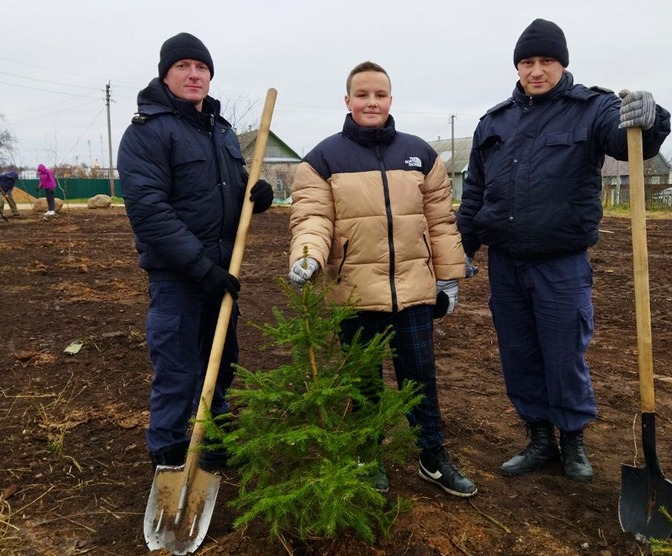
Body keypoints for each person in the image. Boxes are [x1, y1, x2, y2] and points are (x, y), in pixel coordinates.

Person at [456, 19, 671, 483]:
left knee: (563, 353)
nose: (536, 70)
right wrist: (459, 252)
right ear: (517, 67)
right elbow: (474, 195)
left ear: (562, 64)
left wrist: (652, 118)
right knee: (519, 353)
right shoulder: (493, 122)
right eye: (527, 62)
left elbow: (629, 140)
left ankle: (572, 439)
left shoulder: (592, 109)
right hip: (506, 264)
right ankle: (538, 438)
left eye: (546, 61)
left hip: (560, 263)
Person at [288, 61, 476, 498]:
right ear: (347, 100)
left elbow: (440, 221)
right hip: (354, 292)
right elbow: (313, 218)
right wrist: (308, 255)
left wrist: (448, 278)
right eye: (362, 95)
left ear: (391, 99)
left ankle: (432, 455)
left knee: (420, 379)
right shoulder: (321, 160)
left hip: (413, 291)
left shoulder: (420, 155)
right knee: (363, 381)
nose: (371, 102)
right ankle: (367, 455)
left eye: (380, 94)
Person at [117, 32, 274, 471]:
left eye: (201, 67)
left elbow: (225, 192)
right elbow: (150, 211)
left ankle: (214, 434)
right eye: (183, 66)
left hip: (221, 270)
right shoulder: (147, 133)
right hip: (179, 276)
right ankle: (168, 449)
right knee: (178, 367)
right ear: (165, 74)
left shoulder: (221, 131)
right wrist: (200, 267)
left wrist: (254, 195)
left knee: (221, 360)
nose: (194, 74)